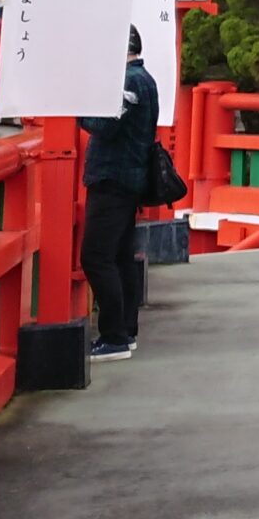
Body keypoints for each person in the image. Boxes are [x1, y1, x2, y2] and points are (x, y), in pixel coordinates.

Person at [79, 25, 158, 362]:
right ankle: (125, 330)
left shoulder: (129, 81)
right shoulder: (146, 79)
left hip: (114, 178)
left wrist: (76, 109)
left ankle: (113, 335)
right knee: (121, 256)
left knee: (96, 257)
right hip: (130, 178)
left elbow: (106, 125)